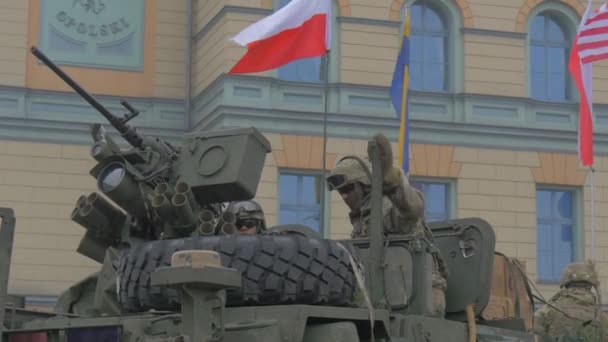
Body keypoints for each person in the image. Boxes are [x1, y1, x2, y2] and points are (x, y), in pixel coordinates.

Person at [325, 133, 447, 317]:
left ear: (365, 185)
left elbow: (411, 210)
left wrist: (391, 181)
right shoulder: (362, 218)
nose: (343, 196)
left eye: (348, 189)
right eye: (340, 191)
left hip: (414, 301)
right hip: (389, 299)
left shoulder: (386, 207)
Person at [533, 261, 608, 341]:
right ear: (590, 285)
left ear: (566, 283)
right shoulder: (601, 317)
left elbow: (534, 335)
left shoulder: (547, 310)